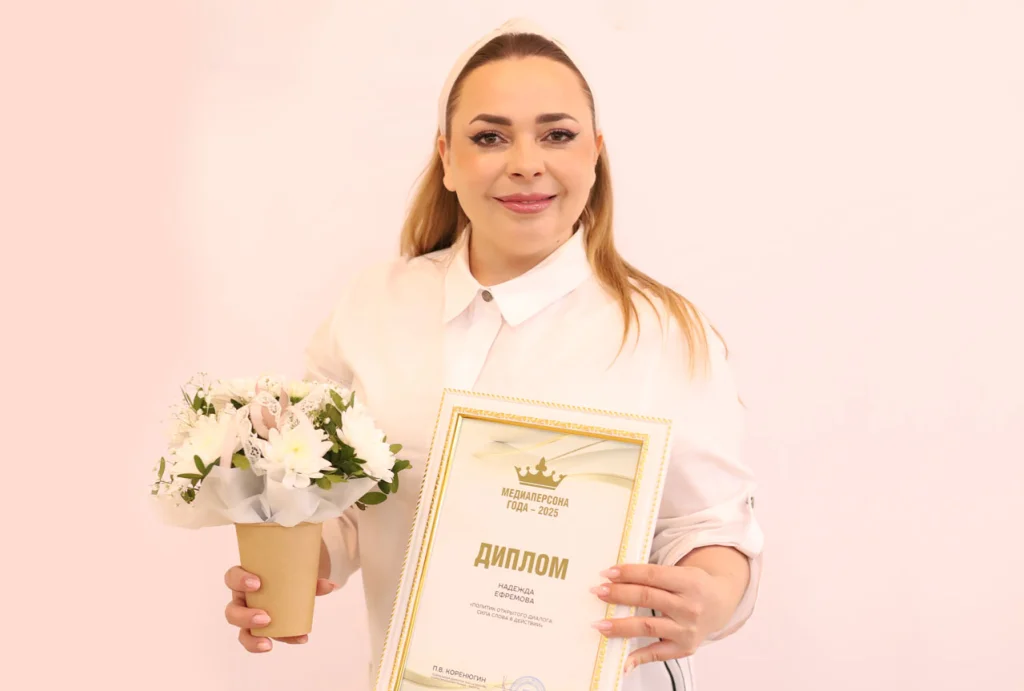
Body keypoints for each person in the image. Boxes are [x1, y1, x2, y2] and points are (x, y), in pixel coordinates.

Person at [222, 18, 763, 690]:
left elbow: (712, 527)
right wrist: (292, 565)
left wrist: (709, 594)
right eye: (490, 137)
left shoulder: (664, 332)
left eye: (556, 135)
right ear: (447, 158)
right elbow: (344, 504)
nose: (526, 162)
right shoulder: (373, 306)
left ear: (595, 154)